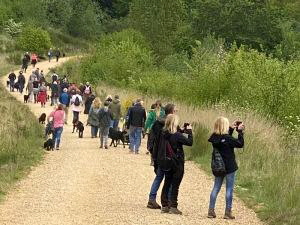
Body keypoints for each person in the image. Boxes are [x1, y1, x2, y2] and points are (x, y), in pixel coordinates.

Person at [207, 117, 244, 219]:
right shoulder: (227, 139)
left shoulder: (214, 137)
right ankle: (227, 212)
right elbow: (240, 144)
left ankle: (211, 210)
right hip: (229, 167)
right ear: (224, 126)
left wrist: (231, 129)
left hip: (218, 166)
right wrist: (240, 132)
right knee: (229, 189)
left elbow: (224, 140)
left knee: (216, 187)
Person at [159, 114, 193, 215]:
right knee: (175, 185)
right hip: (177, 162)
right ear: (175, 123)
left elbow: (172, 135)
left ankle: (164, 205)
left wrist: (181, 130)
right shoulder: (177, 135)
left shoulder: (164, 132)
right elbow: (190, 142)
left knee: (167, 182)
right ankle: (173, 206)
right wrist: (189, 131)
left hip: (167, 161)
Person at [146, 104, 176, 209]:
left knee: (159, 177)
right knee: (169, 179)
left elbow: (151, 138)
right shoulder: (171, 124)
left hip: (158, 154)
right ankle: (167, 201)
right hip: (168, 156)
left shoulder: (157, 122)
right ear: (172, 112)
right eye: (175, 110)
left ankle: (152, 199)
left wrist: (152, 152)